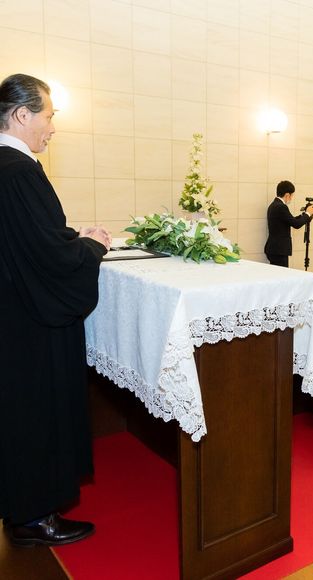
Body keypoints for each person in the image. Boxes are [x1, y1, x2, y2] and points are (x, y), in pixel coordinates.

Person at [0, 73, 111, 546]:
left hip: (11, 313)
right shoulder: (19, 171)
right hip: (31, 324)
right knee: (36, 413)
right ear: (22, 114)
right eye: (48, 116)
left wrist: (70, 238)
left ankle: (20, 510)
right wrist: (91, 247)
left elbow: (29, 239)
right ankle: (35, 519)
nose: (52, 127)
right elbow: (48, 258)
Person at [264, 180, 313, 267]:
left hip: (275, 249)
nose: (292, 198)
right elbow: (296, 224)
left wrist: (304, 215)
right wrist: (308, 214)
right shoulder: (281, 207)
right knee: (282, 274)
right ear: (287, 195)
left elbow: (290, 220)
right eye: (292, 195)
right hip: (279, 250)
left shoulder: (274, 205)